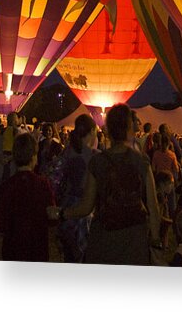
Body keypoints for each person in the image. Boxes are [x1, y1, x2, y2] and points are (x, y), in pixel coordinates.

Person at [47, 104, 160, 265]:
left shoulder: (98, 162)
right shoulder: (142, 162)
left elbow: (86, 206)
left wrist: (61, 213)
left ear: (108, 130)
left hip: (104, 238)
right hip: (134, 238)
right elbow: (153, 207)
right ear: (129, 128)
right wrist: (155, 241)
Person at [0, 132, 55, 261]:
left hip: (12, 247)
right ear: (33, 156)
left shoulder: (6, 186)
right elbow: (51, 217)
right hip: (37, 247)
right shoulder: (43, 184)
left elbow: (1, 221)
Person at [56, 114, 98, 263]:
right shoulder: (95, 157)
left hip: (67, 210)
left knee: (70, 255)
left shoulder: (66, 152)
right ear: (92, 131)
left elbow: (54, 178)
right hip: (85, 212)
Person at [154, 170, 174, 249]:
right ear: (162, 184)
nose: (172, 186)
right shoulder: (159, 197)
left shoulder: (163, 196)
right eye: (170, 183)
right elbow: (157, 214)